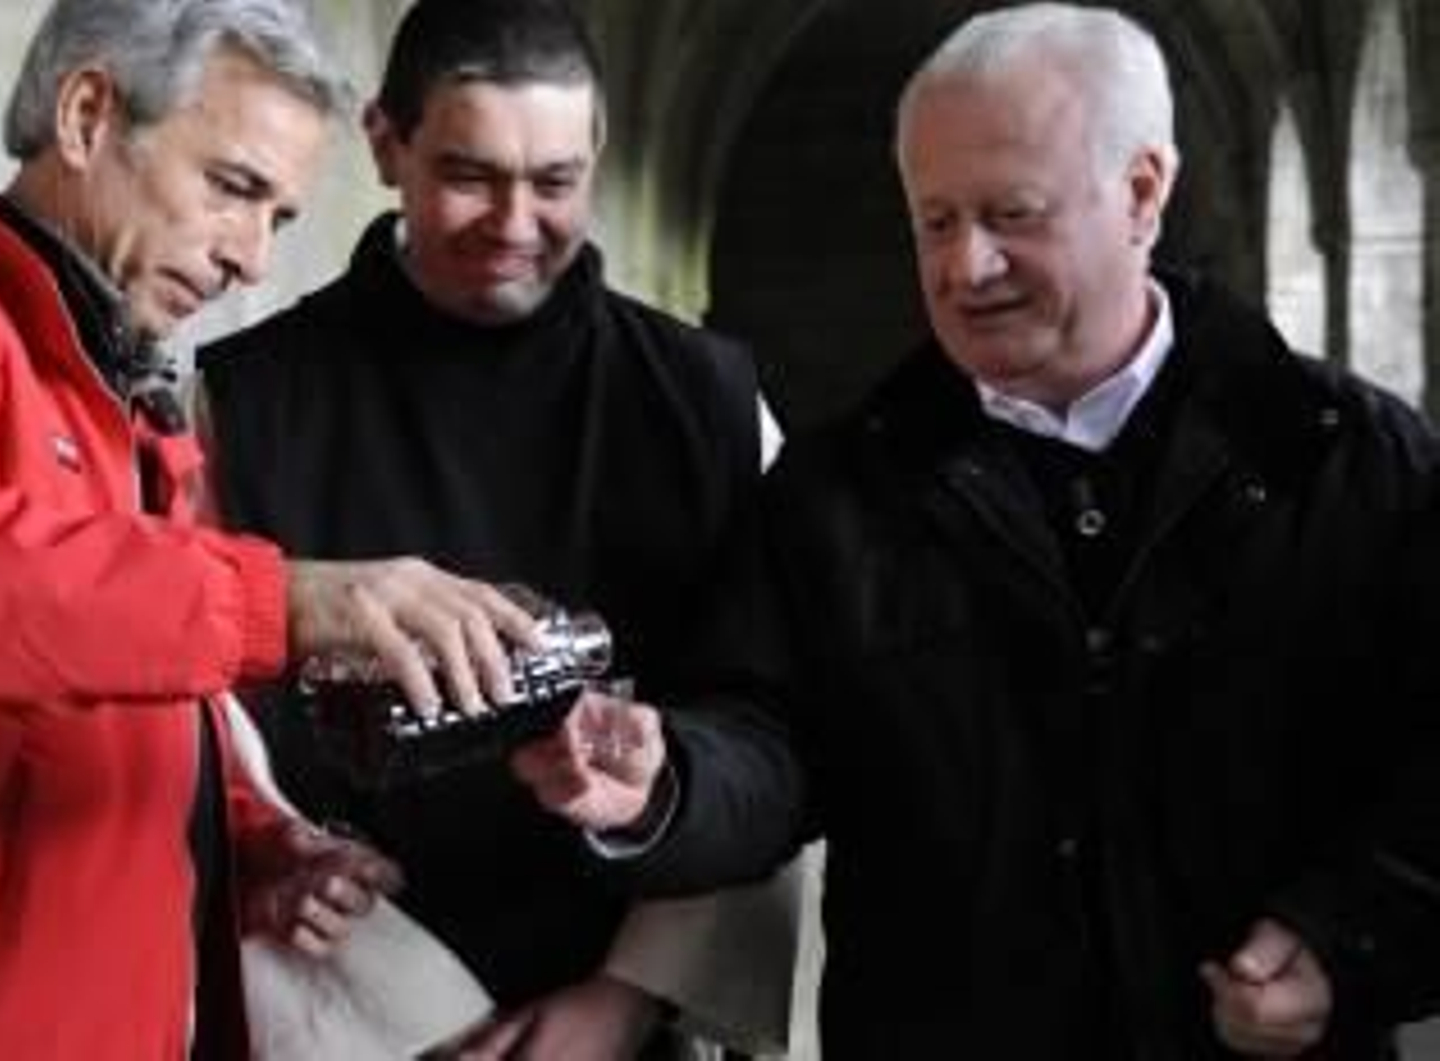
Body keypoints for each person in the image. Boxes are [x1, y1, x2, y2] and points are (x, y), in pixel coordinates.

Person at [512, 4, 1440, 1058]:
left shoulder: (1347, 458)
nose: (965, 266)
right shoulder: (836, 491)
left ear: (1142, 192)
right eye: (935, 220)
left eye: (1011, 214)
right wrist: (666, 781)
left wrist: (1347, 939)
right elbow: (766, 737)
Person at [0, 1, 541, 1058]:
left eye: (279, 219)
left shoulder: (129, 404)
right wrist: (279, 598)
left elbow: (88, 701)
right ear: (87, 115)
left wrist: (245, 845)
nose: (252, 260)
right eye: (234, 187)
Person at [196, 0, 796, 1056]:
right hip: (338, 1003)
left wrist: (629, 995)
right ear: (387, 144)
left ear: (596, 156)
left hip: (630, 1013)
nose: (516, 223)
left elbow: (775, 723)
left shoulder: (709, 402)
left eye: (555, 182)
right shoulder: (246, 400)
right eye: (470, 175)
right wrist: (300, 891)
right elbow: (209, 733)